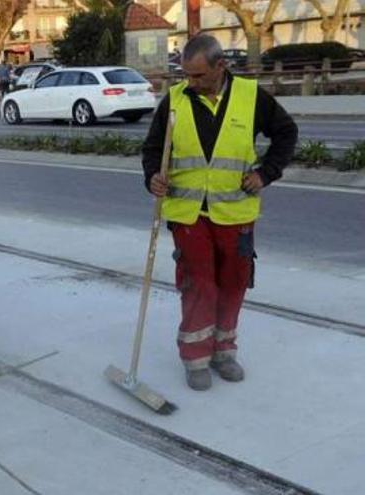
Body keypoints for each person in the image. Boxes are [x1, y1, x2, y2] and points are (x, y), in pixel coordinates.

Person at [141, 34, 298, 391]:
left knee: (233, 284)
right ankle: (195, 356)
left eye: (198, 76)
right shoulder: (176, 100)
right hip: (188, 211)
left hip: (236, 213)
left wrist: (266, 173)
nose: (190, 83)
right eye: (186, 75)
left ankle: (224, 351)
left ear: (220, 66)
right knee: (198, 285)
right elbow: (152, 149)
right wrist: (153, 177)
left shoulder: (250, 96)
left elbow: (286, 133)